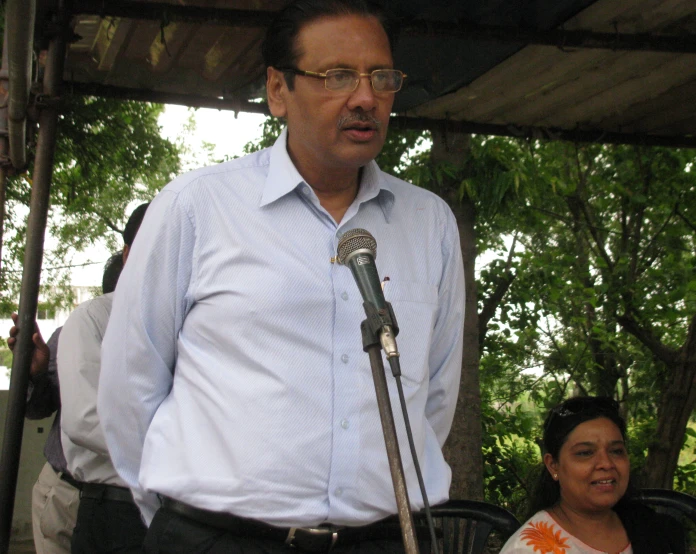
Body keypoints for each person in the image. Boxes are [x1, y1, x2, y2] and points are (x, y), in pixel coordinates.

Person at [97, 1, 465, 552]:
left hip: (381, 540)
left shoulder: (428, 221)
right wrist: (185, 526)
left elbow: (434, 394)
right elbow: (131, 385)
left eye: (380, 77)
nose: (365, 98)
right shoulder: (197, 208)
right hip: (220, 539)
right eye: (337, 76)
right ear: (277, 90)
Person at [8, 251, 125, 554]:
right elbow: (37, 409)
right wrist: (34, 375)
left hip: (126, 503)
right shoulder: (79, 328)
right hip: (68, 492)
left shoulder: (166, 335)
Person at [56, 205, 149, 554]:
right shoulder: (93, 319)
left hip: (184, 517)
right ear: (128, 255)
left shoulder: (196, 325)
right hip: (116, 510)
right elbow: (85, 419)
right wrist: (182, 453)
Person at [500, 396, 685, 554]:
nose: (606, 463)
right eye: (585, 453)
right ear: (553, 465)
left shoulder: (650, 529)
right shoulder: (528, 548)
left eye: (616, 451)